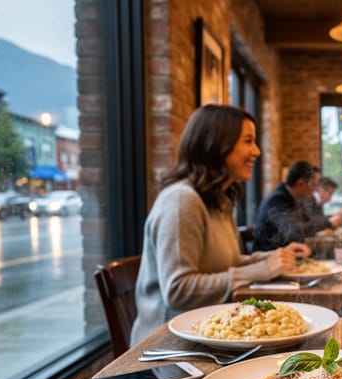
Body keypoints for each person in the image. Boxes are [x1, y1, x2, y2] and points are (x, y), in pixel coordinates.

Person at [130, 105, 310, 346]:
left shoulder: (218, 200)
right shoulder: (182, 200)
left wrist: (274, 257)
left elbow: (227, 264)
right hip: (168, 345)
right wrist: (261, 269)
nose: (256, 151)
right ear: (215, 143)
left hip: (209, 334)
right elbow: (178, 291)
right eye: (248, 141)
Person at [252, 160, 320, 251]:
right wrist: (329, 222)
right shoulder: (277, 200)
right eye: (313, 185)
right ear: (301, 183)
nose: (314, 190)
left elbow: (308, 223)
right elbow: (293, 231)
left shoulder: (296, 199)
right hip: (268, 259)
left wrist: (329, 220)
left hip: (286, 254)